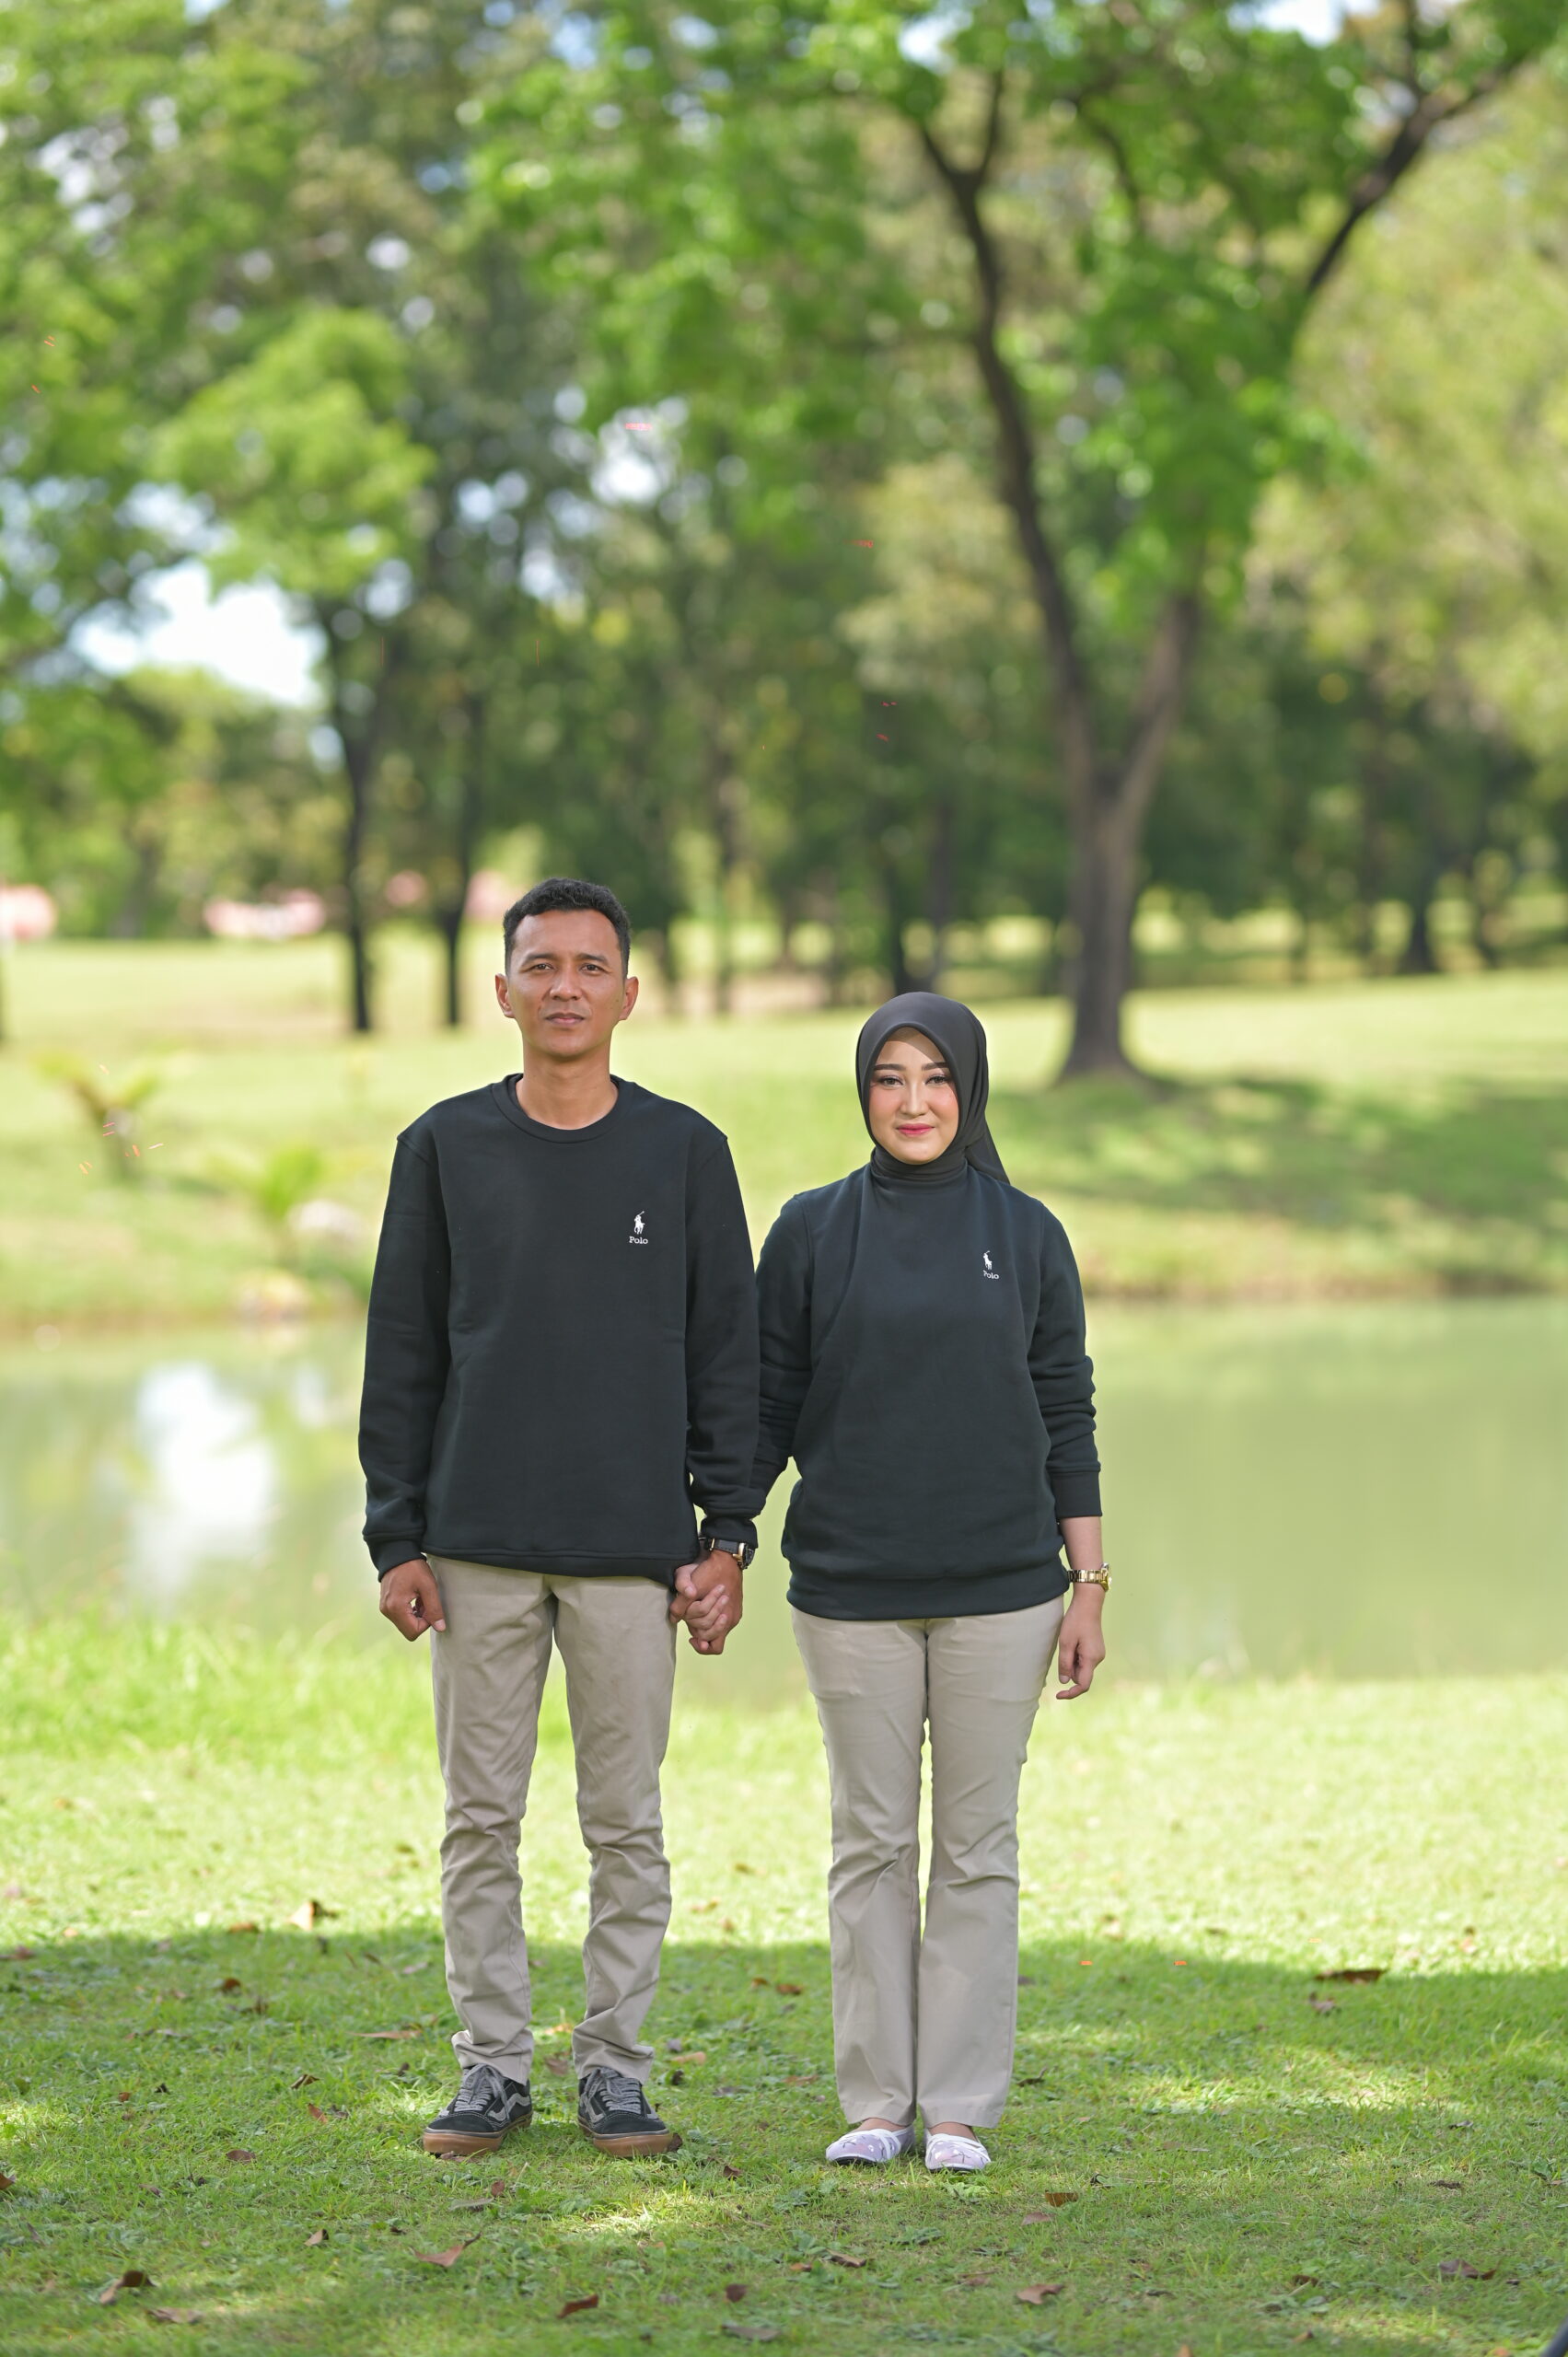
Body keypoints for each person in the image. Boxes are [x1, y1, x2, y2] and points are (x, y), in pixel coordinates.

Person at [359, 877, 759, 2162]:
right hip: (472, 1546)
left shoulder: (685, 1152)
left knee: (623, 1821)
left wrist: (727, 1533)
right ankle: (489, 2068)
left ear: (628, 994)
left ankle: (613, 2072)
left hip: (631, 1552)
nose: (565, 987)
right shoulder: (443, 1147)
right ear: (502, 991)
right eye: (541, 966)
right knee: (479, 1819)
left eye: (590, 966)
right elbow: (402, 1350)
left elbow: (727, 1355)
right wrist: (395, 1536)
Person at [752, 992, 1108, 2174]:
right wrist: (721, 1537)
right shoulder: (810, 1230)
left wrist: (1088, 1581)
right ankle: (875, 2102)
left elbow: (1065, 1409)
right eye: (889, 1077)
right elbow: (765, 1403)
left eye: (936, 1077)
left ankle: (955, 2107)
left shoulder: (1028, 1232)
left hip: (1004, 1591)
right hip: (846, 1588)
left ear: (971, 1089)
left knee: (974, 1846)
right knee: (868, 1843)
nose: (913, 1101)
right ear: (862, 1090)